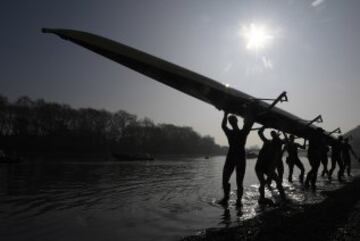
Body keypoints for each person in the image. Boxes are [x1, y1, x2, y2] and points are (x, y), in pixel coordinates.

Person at [218, 111, 254, 207]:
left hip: (240, 158)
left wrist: (249, 113)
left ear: (237, 121)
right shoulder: (230, 133)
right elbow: (223, 126)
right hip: (231, 157)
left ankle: (239, 200)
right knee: (225, 179)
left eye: (232, 119)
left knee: (239, 182)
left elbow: (249, 123)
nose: (231, 121)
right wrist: (225, 115)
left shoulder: (243, 132)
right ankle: (226, 198)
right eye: (230, 120)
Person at [255, 126, 286, 204]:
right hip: (259, 166)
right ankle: (262, 198)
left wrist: (284, 132)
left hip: (267, 166)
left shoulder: (276, 149)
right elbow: (259, 132)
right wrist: (265, 126)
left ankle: (283, 197)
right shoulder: (267, 142)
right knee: (262, 182)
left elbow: (285, 142)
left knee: (278, 181)